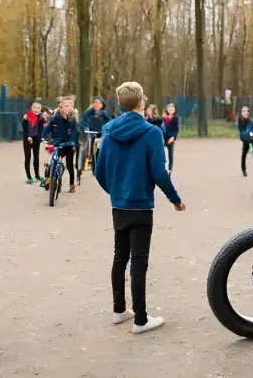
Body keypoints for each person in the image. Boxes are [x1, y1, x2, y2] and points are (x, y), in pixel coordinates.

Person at [96, 81, 186, 335]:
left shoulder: (108, 131)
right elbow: (159, 172)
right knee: (138, 261)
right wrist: (175, 199)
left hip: (119, 205)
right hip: (141, 205)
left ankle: (118, 310)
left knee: (120, 256)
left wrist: (116, 192)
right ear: (142, 102)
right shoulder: (152, 132)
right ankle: (141, 320)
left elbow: (99, 171)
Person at [42, 96, 78, 193]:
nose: (70, 108)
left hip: (69, 145)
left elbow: (75, 133)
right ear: (60, 107)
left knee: (70, 165)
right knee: (54, 162)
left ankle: (72, 185)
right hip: (58, 144)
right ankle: (48, 179)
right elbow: (46, 131)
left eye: (72, 106)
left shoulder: (72, 119)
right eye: (67, 106)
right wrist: (49, 140)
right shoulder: (54, 118)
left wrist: (73, 142)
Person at [80, 96, 113, 169]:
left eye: (99, 103)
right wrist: (85, 126)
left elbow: (111, 122)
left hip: (101, 133)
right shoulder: (88, 112)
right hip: (91, 132)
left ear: (102, 104)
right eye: (95, 102)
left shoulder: (105, 113)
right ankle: (87, 156)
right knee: (87, 142)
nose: (97, 104)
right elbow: (83, 121)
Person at [22, 102, 45, 184]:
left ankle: (37, 175)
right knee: (28, 157)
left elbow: (41, 129)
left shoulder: (41, 118)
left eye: (38, 107)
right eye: (34, 107)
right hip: (27, 139)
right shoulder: (27, 116)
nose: (36, 109)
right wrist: (28, 136)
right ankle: (29, 177)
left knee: (36, 157)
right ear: (31, 108)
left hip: (36, 139)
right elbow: (24, 128)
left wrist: (41, 138)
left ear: (40, 109)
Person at [237, 105, 253, 177]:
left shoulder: (251, 121)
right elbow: (242, 132)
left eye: (247, 111)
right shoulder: (240, 121)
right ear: (241, 113)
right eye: (244, 111)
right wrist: (248, 135)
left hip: (252, 138)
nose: (246, 113)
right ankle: (243, 169)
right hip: (246, 139)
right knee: (244, 153)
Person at [162, 103, 179, 175]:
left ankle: (169, 172)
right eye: (169, 108)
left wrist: (173, 138)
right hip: (163, 139)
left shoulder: (176, 118)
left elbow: (176, 130)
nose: (171, 109)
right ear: (166, 109)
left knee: (170, 156)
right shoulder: (163, 118)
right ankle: (162, 170)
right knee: (162, 156)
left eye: (172, 108)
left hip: (171, 139)